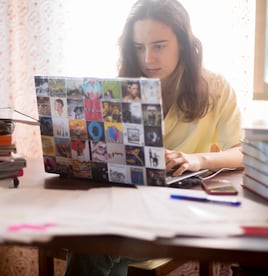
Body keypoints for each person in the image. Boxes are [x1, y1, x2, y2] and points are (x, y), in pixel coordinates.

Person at [64, 0, 243, 275]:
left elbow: (243, 152)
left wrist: (197, 159)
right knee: (90, 241)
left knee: (92, 246)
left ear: (182, 42)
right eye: (139, 47)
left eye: (159, 45)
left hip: (178, 210)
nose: (148, 58)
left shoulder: (216, 88)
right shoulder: (121, 89)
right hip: (127, 204)